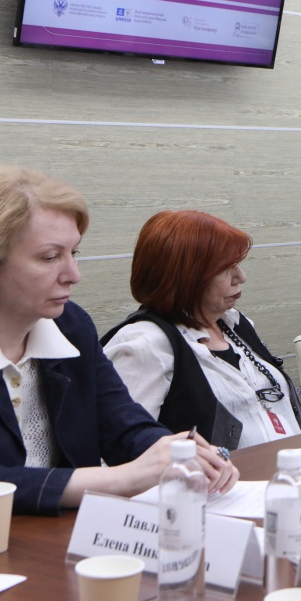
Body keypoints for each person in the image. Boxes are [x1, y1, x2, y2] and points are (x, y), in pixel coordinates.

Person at [0, 165, 237, 515]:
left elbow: (122, 424)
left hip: (59, 533)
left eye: (73, 254)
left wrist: (179, 453)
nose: (73, 275)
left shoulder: (71, 326)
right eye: (50, 257)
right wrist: (120, 478)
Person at [103, 211, 301, 450]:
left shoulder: (234, 323)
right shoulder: (146, 344)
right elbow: (120, 451)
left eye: (237, 265)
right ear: (184, 276)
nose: (241, 277)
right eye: (226, 268)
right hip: (225, 474)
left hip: (296, 465)